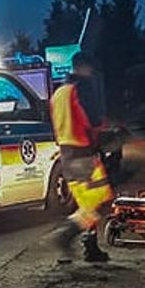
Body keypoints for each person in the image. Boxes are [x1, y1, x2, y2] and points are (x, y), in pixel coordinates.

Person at [47, 51, 113, 262]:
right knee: (100, 202)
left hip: (67, 156)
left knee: (85, 204)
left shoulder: (58, 93)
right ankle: (65, 236)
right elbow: (92, 120)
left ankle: (90, 248)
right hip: (84, 154)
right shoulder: (81, 88)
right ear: (84, 67)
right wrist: (106, 128)